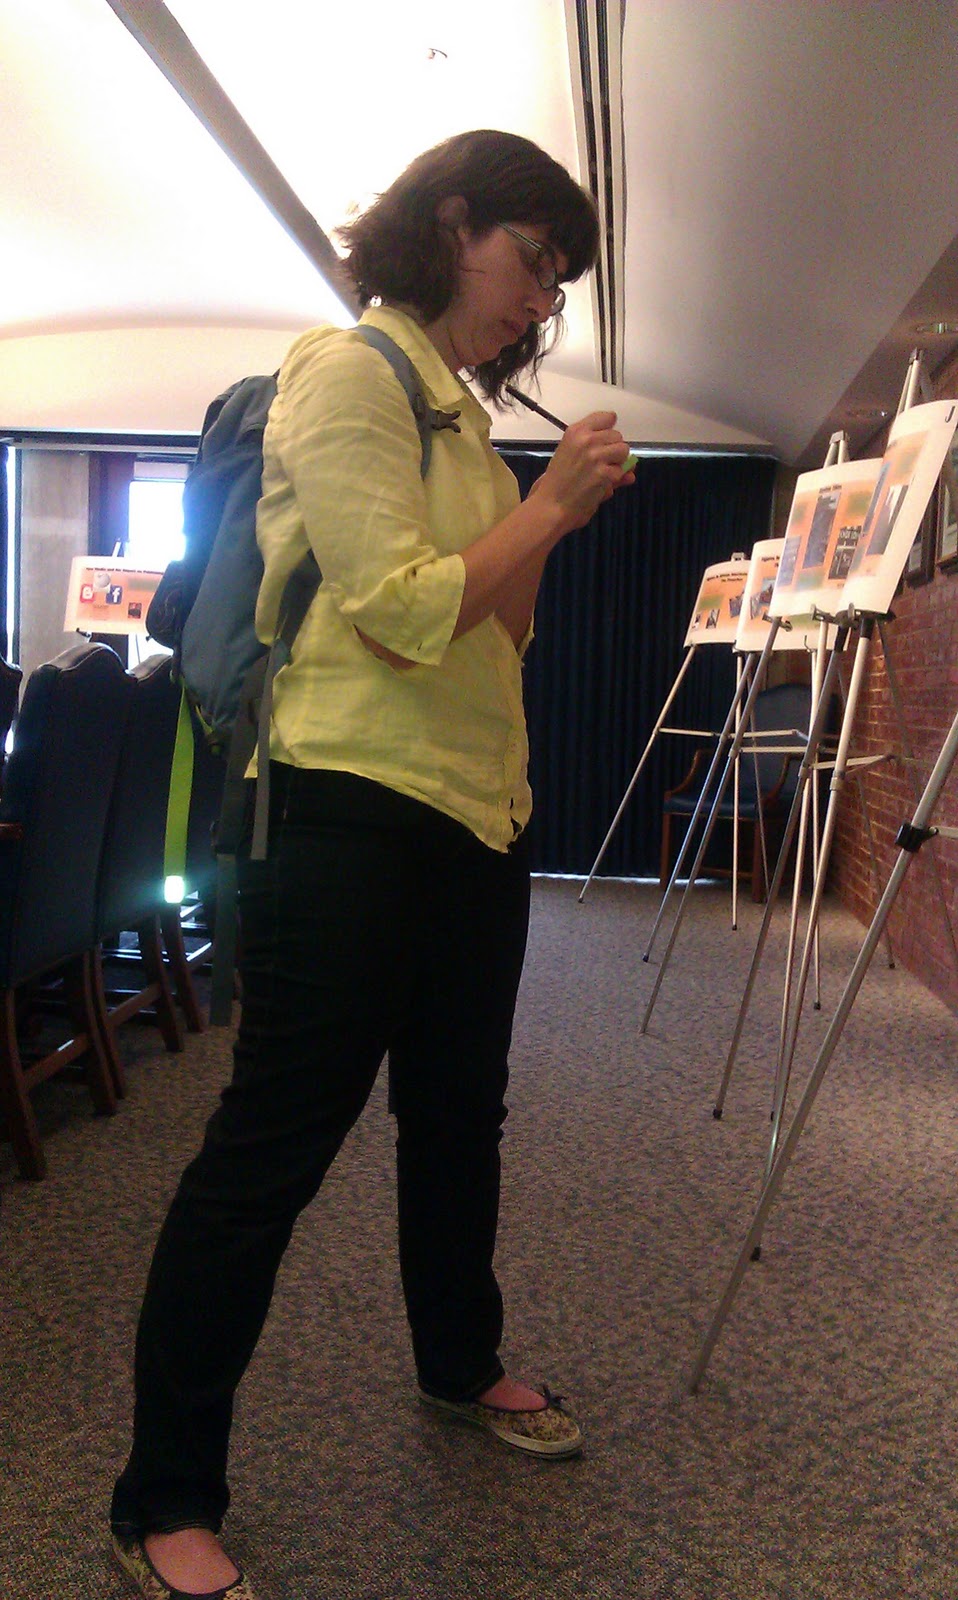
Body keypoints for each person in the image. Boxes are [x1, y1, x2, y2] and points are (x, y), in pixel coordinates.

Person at [110, 127, 635, 1600]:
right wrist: (547, 508)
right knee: (268, 1155)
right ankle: (159, 1497)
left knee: (460, 1119)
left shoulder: (461, 424)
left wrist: (547, 514)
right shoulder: (345, 372)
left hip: (475, 810)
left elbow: (499, 630)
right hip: (338, 809)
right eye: (533, 262)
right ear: (449, 224)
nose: (541, 305)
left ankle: (458, 1365)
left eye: (559, 285)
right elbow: (404, 614)